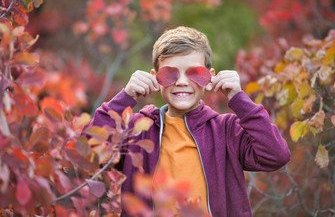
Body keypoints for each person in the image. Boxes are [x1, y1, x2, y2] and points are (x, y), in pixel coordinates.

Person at [87, 26, 291, 216]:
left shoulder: (227, 131)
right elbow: (88, 154)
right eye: (170, 73)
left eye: (195, 73)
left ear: (210, 78)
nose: (182, 82)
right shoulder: (138, 131)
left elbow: (276, 155)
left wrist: (239, 100)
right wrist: (125, 97)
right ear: (155, 78)